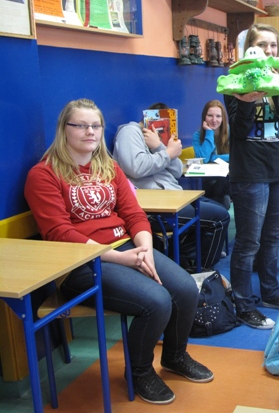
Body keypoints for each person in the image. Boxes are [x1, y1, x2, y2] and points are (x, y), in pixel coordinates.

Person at [24, 99, 212, 405]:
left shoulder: (108, 167)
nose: (90, 131)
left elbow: (134, 214)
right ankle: (139, 372)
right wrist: (120, 258)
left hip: (126, 247)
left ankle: (175, 356)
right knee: (157, 301)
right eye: (81, 125)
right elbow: (59, 232)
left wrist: (145, 248)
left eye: (96, 125)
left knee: (186, 288)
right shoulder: (43, 174)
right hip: (79, 264)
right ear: (64, 129)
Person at [224, 23, 279, 329]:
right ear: (250, 50)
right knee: (248, 242)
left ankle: (269, 293)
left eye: (273, 45)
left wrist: (274, 85)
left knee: (271, 238)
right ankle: (243, 305)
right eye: (262, 45)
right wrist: (246, 100)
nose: (269, 51)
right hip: (249, 172)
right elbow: (238, 130)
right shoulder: (235, 80)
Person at [113, 103, 230, 271]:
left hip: (174, 195)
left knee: (219, 208)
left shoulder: (156, 138)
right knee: (219, 218)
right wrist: (166, 152)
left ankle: (181, 258)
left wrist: (160, 147)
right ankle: (203, 269)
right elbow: (135, 168)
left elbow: (176, 171)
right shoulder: (129, 132)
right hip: (155, 206)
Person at [193, 99, 231, 209]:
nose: (214, 120)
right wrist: (209, 133)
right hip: (209, 180)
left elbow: (236, 156)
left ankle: (216, 210)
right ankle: (220, 207)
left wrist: (213, 157)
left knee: (222, 180)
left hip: (229, 179)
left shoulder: (231, 132)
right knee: (217, 187)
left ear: (223, 118)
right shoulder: (197, 135)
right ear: (204, 117)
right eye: (210, 116)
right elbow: (202, 159)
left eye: (218, 116)